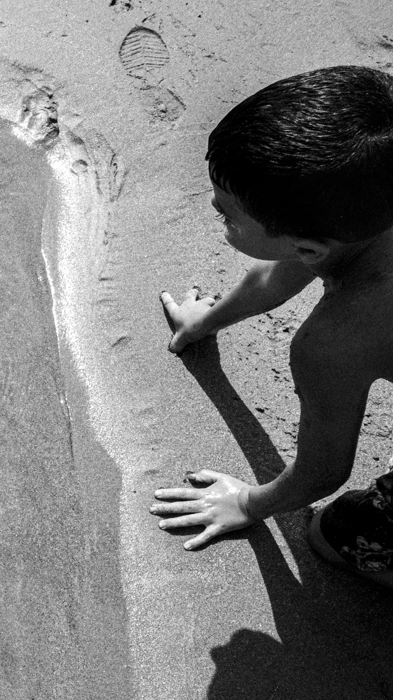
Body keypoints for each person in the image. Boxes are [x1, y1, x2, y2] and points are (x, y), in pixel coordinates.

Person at [150, 65, 393, 590]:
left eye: (227, 218)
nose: (216, 212)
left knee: (337, 533)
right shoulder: (371, 198)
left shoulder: (335, 341)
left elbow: (324, 472)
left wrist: (245, 502)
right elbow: (286, 268)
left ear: (310, 247)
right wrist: (205, 322)